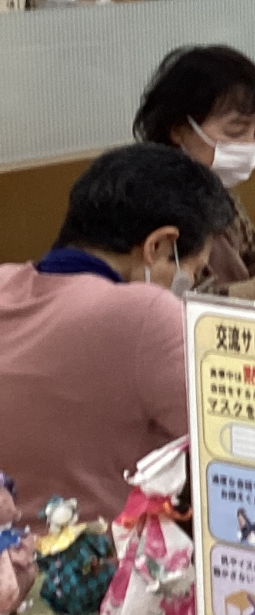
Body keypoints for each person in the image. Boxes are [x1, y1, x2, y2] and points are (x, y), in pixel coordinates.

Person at [0, 142, 232, 521]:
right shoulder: (145, 314)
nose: (189, 284)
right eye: (193, 270)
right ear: (159, 246)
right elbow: (230, 441)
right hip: (95, 555)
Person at [134, 45, 255, 309]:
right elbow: (175, 302)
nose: (248, 144)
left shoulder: (221, 195)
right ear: (179, 129)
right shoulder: (147, 203)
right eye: (235, 131)